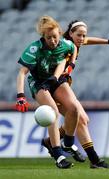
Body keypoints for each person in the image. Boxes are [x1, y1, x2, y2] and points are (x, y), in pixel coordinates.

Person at [41, 20, 109, 169]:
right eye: (79, 35)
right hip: (55, 85)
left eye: (83, 35)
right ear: (70, 34)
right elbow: (61, 64)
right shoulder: (66, 46)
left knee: (83, 119)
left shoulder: (73, 42)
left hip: (62, 84)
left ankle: (50, 141)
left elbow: (89, 40)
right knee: (80, 119)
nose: (82, 38)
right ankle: (94, 159)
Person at [15, 16, 82, 169]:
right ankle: (58, 155)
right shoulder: (34, 49)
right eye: (48, 38)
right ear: (43, 37)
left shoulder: (66, 44)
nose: (52, 40)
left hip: (55, 80)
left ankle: (69, 144)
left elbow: (74, 49)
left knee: (74, 109)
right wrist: (20, 96)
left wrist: (70, 65)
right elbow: (21, 73)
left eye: (55, 37)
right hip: (39, 83)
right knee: (53, 112)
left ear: (60, 33)